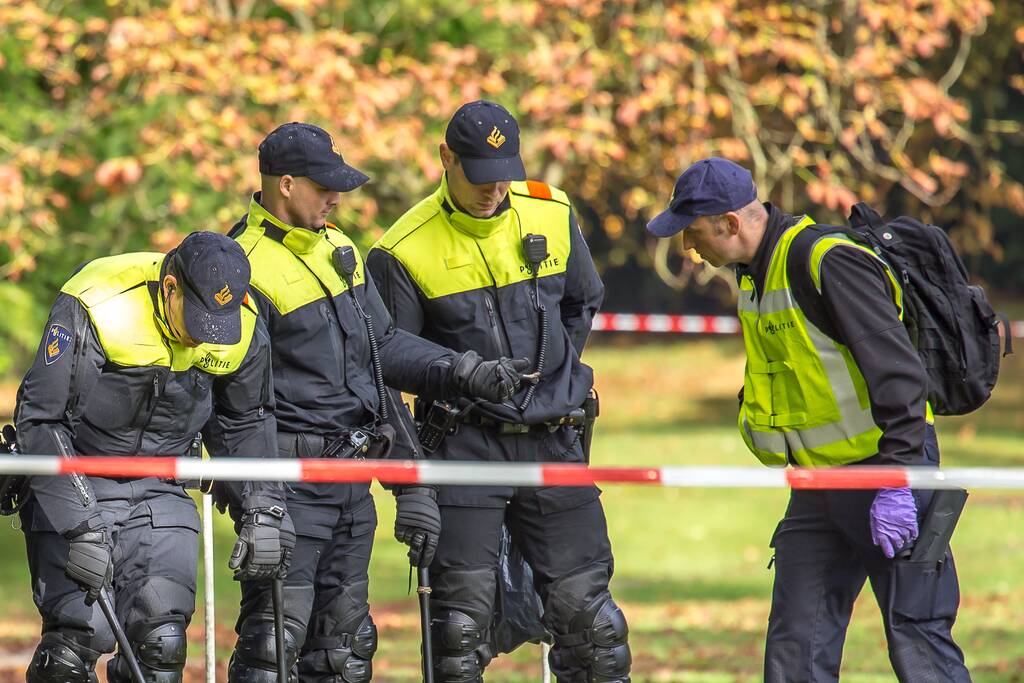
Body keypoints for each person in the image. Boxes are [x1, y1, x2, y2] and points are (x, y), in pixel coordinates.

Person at [646, 157, 972, 682]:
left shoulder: (826, 262)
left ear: (731, 223)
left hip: (886, 474)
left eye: (694, 232)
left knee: (918, 641)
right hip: (817, 487)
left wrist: (898, 480)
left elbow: (900, 378)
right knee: (795, 648)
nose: (689, 248)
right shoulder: (753, 276)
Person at [223, 121, 527, 683]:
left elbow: (380, 353)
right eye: (323, 185)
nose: (337, 197)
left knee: (345, 651)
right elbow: (240, 410)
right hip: (290, 488)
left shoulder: (340, 248)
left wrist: (462, 373)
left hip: (352, 488)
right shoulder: (242, 267)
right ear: (284, 184)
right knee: (273, 649)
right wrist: (258, 505)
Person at [367, 100, 630, 683]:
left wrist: (555, 379)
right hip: (464, 451)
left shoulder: (551, 210)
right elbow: (386, 357)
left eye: (504, 173)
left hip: (556, 445)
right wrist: (461, 373)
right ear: (445, 160)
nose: (494, 190)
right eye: (480, 176)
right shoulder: (402, 248)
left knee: (594, 627)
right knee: (459, 634)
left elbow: (582, 301)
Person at [14, 231, 291, 683]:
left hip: (164, 484)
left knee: (161, 643)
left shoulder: (241, 318)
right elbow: (42, 421)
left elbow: (247, 420)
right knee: (73, 646)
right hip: (80, 476)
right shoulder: (98, 301)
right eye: (199, 322)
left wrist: (264, 507)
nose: (205, 340)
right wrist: (80, 523)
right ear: (170, 289)